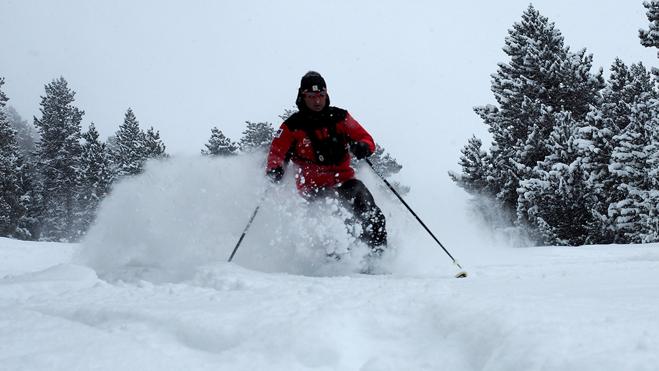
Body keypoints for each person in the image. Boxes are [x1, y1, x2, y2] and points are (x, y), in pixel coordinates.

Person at [265, 71, 387, 255]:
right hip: (314, 188)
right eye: (311, 96)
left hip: (346, 181)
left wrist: (363, 146)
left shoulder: (340, 117)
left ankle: (378, 259)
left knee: (372, 215)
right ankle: (333, 265)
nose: (317, 101)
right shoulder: (291, 126)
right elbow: (276, 153)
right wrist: (275, 169)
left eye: (321, 95)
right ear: (302, 96)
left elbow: (365, 138)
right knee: (334, 222)